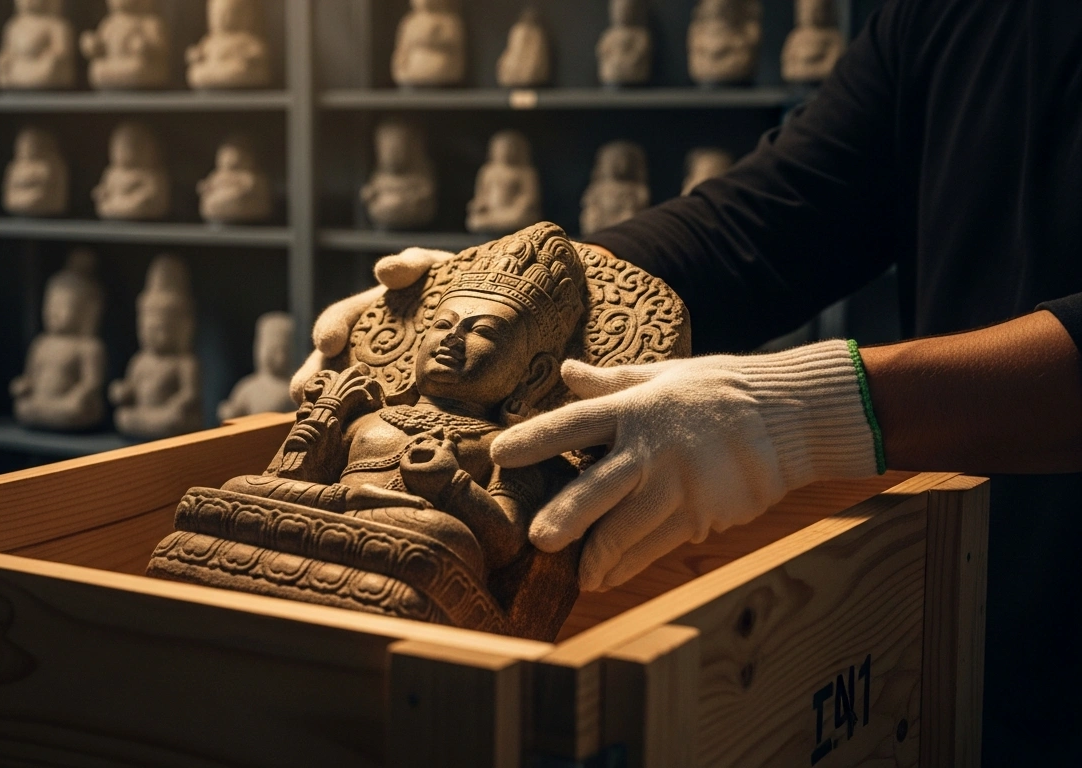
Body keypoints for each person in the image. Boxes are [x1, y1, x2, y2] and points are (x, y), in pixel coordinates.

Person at [294, 1, 1082, 763]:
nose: (452, 339)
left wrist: (814, 408)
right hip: (955, 622)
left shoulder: (513, 456)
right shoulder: (953, 13)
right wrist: (546, 285)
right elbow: (774, 217)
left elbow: (510, 533)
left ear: (534, 373)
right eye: (444, 326)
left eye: (487, 334)